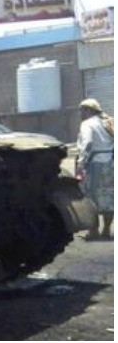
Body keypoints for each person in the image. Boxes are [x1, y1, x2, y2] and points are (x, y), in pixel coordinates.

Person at [76, 98, 114, 239]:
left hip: (94, 164)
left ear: (89, 110)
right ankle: (106, 231)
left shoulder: (87, 124)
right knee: (109, 197)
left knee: (90, 198)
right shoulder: (109, 122)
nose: (80, 114)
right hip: (110, 164)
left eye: (81, 110)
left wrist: (81, 163)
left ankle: (93, 232)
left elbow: (87, 143)